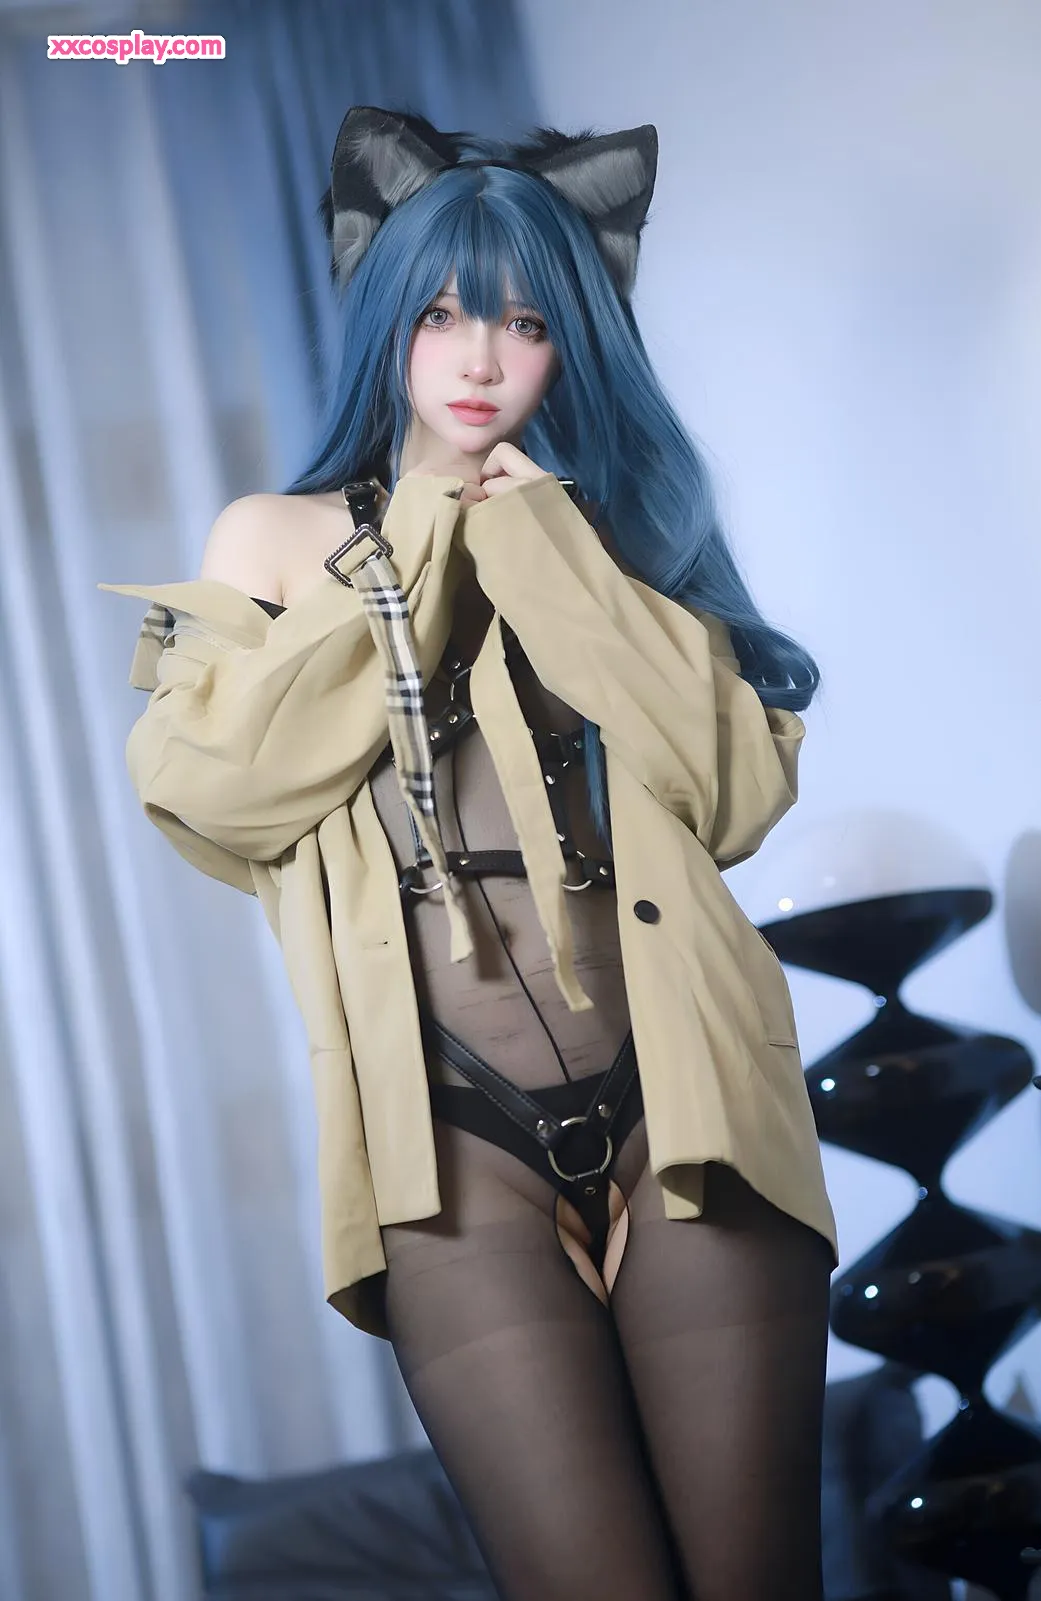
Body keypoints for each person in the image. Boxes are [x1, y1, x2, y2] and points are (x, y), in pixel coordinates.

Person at [102, 107, 838, 1601]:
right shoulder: (277, 538)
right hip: (447, 1150)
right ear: (386, 320)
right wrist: (424, 535)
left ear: (576, 341)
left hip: (690, 1106)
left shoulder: (618, 535)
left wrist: (550, 555)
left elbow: (732, 794)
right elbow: (223, 790)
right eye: (440, 314)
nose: (480, 357)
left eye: (524, 320)